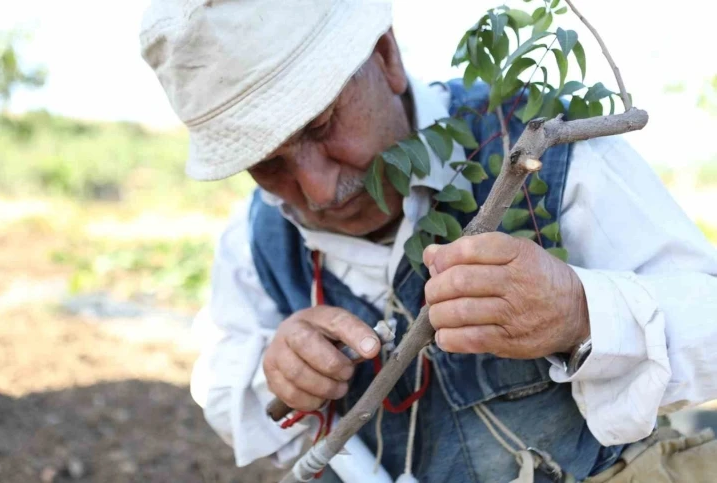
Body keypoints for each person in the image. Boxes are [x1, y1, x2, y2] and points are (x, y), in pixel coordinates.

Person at [139, 1, 717, 482]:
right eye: (267, 165)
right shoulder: (256, 238)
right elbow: (221, 380)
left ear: (386, 56)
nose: (318, 189)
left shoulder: (544, 146)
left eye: (321, 126)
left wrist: (579, 313)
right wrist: (278, 373)